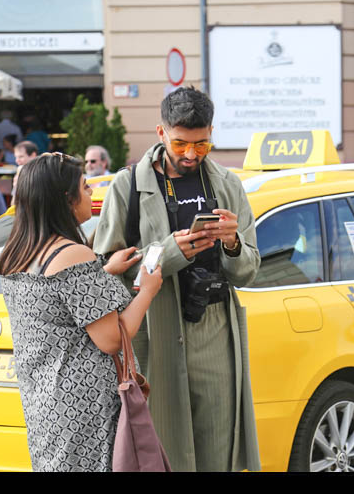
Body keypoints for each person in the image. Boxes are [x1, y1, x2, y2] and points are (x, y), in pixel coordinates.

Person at [93, 86, 262, 472]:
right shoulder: (128, 186)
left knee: (219, 453)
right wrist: (167, 255)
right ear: (160, 132)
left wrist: (233, 243)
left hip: (215, 331)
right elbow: (105, 272)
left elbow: (249, 269)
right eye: (181, 143)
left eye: (202, 145)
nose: (191, 154)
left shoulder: (226, 184)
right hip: (157, 333)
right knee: (162, 454)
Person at [0, 152, 163, 471]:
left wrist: (104, 271)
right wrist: (148, 291)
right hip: (86, 407)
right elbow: (112, 339)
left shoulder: (17, 251)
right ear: (66, 199)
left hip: (46, 400)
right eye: (85, 187)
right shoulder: (72, 254)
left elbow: (58, 305)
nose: (91, 194)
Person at [11, 141, 39, 205]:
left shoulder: (42, 173)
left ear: (33, 155)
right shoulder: (19, 172)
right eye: (16, 157)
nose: (17, 161)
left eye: (21, 157)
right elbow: (13, 204)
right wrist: (16, 187)